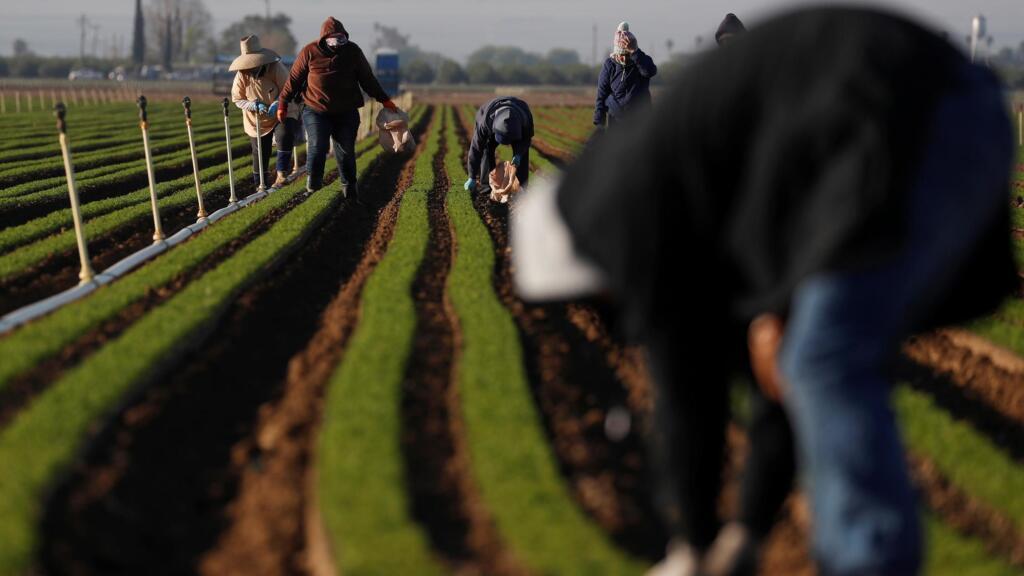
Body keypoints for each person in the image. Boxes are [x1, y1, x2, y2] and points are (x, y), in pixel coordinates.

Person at [512, 7, 1015, 576]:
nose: (610, 318)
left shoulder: (647, 216)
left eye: (597, 302)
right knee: (805, 356)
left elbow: (685, 396)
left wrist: (694, 546)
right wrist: (743, 534)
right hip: (936, 109)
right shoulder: (664, 203)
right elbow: (746, 382)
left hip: (904, 115)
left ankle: (871, 562)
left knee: (823, 357)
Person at [278, 17, 399, 199]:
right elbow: (293, 80)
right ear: (324, 39)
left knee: (345, 150)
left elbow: (367, 79)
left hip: (346, 111)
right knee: (318, 145)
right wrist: (283, 104)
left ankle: (349, 189)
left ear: (345, 37)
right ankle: (313, 184)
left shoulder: (353, 51)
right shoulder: (309, 52)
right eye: (333, 39)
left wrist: (385, 100)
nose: (337, 43)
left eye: (341, 39)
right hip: (316, 109)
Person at [230, 35, 302, 189]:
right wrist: (253, 105)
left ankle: (281, 173)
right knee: (260, 150)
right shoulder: (242, 75)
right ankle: (260, 184)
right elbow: (237, 99)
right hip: (256, 117)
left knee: (284, 135)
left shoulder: (276, 68)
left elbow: (287, 90)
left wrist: (277, 103)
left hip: (282, 110)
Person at [464, 96, 534, 198]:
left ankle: (521, 189)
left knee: (522, 154)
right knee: (487, 148)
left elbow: (526, 140)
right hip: (491, 120)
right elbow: (476, 149)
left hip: (518, 123)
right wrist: (472, 176)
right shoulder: (485, 122)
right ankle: (487, 188)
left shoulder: (525, 120)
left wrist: (519, 154)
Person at [593, 22, 658, 131]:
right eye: (620, 55)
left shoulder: (641, 61)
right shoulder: (610, 65)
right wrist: (599, 122)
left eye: (626, 55)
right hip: (616, 119)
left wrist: (634, 51)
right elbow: (601, 94)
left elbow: (649, 72)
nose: (622, 58)